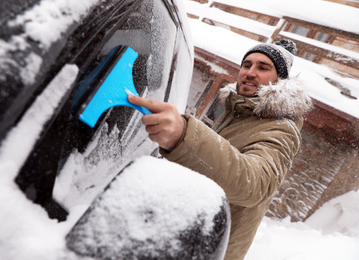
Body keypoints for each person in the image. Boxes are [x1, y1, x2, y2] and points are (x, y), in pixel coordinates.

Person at [128, 39, 313, 259]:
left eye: (263, 68)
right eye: (247, 65)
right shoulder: (237, 111)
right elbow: (213, 167)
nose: (250, 72)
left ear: (279, 81)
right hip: (187, 233)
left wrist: (184, 136)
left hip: (212, 249)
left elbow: (254, 184)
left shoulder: (281, 128)